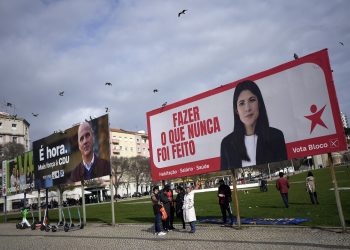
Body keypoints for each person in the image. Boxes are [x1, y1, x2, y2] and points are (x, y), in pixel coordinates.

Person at [221, 80, 287, 170]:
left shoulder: (276, 136)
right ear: (236, 110)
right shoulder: (227, 143)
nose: (247, 108)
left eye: (252, 100)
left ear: (259, 103)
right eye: (241, 103)